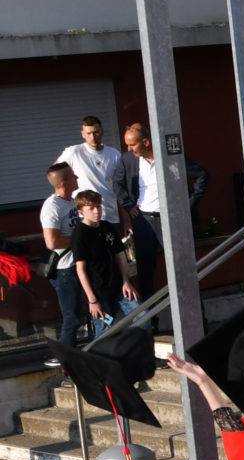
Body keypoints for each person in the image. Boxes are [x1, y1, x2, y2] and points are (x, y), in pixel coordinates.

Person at [69, 189, 135, 335]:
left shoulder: (107, 227)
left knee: (142, 316)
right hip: (99, 294)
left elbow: (120, 255)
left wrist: (126, 281)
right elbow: (80, 269)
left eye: (98, 206)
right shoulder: (80, 234)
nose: (96, 211)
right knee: (104, 331)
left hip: (119, 287)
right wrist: (92, 299)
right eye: (91, 208)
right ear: (81, 211)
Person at [40, 160, 84, 346]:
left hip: (79, 264)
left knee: (85, 312)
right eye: (73, 175)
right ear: (64, 183)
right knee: (71, 317)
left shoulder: (72, 201)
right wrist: (80, 241)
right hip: (65, 270)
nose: (77, 177)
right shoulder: (52, 206)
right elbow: (52, 241)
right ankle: (68, 363)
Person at [121, 119, 166, 300]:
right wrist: (129, 206)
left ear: (146, 142)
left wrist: (189, 203)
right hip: (143, 220)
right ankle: (151, 321)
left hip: (167, 220)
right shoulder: (128, 159)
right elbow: (118, 184)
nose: (129, 149)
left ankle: (196, 317)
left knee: (180, 267)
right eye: (127, 145)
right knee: (145, 272)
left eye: (132, 145)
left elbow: (201, 175)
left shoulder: (167, 157)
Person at [59, 110, 129, 221]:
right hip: (84, 219)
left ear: (102, 131)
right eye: (88, 133)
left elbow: (121, 188)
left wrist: (126, 220)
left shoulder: (114, 154)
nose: (93, 137)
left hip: (110, 217)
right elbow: (56, 173)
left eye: (95, 132)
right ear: (82, 134)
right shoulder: (73, 152)